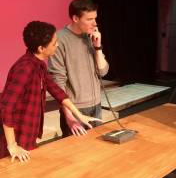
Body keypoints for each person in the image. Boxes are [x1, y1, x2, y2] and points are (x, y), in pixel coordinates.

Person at [0, 21, 101, 163]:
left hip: (28, 134)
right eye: (54, 43)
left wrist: (79, 115)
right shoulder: (25, 68)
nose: (57, 45)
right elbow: (6, 107)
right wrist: (12, 145)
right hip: (15, 137)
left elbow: (56, 90)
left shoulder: (39, 65)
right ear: (41, 48)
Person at [48, 0, 109, 137]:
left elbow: (103, 71)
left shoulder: (90, 37)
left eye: (95, 18)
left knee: (97, 152)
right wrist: (69, 116)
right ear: (75, 18)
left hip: (96, 104)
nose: (95, 23)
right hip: (75, 108)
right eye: (89, 19)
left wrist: (98, 47)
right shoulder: (59, 39)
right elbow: (58, 81)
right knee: (76, 155)